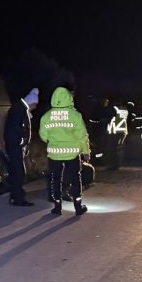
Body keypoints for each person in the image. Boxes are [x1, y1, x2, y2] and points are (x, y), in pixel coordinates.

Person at [39, 86, 90, 216]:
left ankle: (57, 207)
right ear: (69, 98)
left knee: (55, 179)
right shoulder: (75, 115)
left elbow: (43, 135)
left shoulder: (46, 116)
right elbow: (82, 136)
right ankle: (78, 207)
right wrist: (85, 151)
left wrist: (54, 141)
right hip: (72, 153)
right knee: (75, 178)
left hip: (54, 154)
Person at [4, 88, 39, 206]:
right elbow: (16, 129)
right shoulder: (19, 110)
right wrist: (23, 139)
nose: (35, 107)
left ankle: (16, 196)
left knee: (17, 171)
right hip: (15, 146)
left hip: (15, 145)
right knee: (18, 171)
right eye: (35, 104)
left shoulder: (20, 109)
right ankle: (18, 198)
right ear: (30, 102)